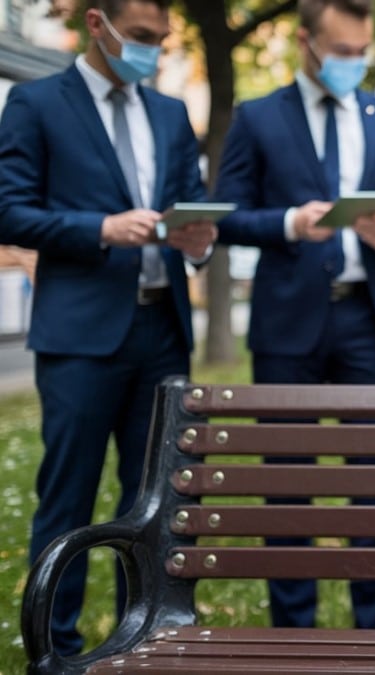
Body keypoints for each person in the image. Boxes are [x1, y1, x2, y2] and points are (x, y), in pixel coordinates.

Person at [0, 0, 217, 654]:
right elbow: (9, 211)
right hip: (80, 338)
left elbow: (190, 208)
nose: (152, 50)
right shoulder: (37, 104)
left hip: (163, 332)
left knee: (153, 500)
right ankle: (54, 645)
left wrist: (199, 241)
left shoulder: (171, 112)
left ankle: (142, 640)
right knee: (67, 496)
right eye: (142, 37)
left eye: (161, 39)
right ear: (98, 24)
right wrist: (98, 228)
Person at [212, 0, 375, 630]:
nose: (353, 64)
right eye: (341, 52)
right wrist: (288, 223)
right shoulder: (257, 117)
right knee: (287, 483)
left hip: (368, 318)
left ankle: (374, 633)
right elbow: (227, 214)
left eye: (362, 53)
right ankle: (293, 633)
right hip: (288, 324)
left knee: (374, 483)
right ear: (306, 42)